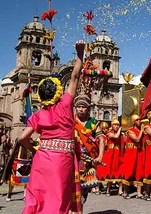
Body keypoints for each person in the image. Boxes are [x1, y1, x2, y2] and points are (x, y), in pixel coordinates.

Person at [18, 40, 86, 214]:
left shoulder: (38, 114)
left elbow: (21, 138)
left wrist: (33, 150)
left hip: (42, 159)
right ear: (57, 92)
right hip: (61, 161)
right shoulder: (65, 105)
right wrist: (80, 53)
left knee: (38, 198)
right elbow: (75, 76)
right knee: (56, 200)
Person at [74, 93, 105, 206]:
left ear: (88, 109)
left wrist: (100, 156)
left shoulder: (93, 123)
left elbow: (101, 140)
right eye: (79, 106)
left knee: (83, 192)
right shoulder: (70, 121)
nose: (81, 109)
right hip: (72, 160)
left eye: (83, 107)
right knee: (70, 189)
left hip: (88, 161)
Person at [121, 114, 144, 199]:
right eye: (137, 120)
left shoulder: (141, 131)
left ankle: (139, 193)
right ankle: (125, 191)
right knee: (129, 171)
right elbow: (137, 139)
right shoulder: (130, 131)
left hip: (139, 153)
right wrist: (142, 130)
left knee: (139, 171)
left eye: (139, 120)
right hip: (131, 153)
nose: (139, 121)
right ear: (134, 122)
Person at [104, 118, 124, 196]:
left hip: (118, 154)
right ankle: (108, 190)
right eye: (115, 125)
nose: (116, 126)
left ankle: (120, 190)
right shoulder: (109, 133)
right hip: (111, 156)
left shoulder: (121, 135)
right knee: (110, 172)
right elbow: (115, 136)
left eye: (118, 125)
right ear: (112, 126)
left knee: (120, 171)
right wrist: (120, 129)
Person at [96, 121, 110, 194]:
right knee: (99, 172)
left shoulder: (108, 136)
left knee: (107, 172)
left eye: (107, 128)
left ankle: (108, 190)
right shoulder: (100, 137)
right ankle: (97, 187)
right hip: (101, 155)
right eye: (104, 129)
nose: (106, 130)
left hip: (107, 156)